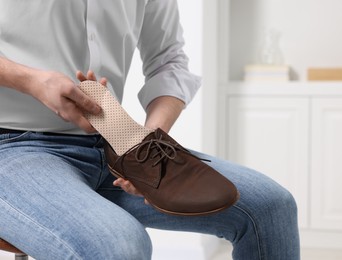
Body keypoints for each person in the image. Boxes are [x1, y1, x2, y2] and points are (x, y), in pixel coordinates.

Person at [0, 1, 300, 259]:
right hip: (12, 146)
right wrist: (32, 81)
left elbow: (169, 61)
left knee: (271, 207)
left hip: (118, 144)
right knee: (120, 246)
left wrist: (145, 144)